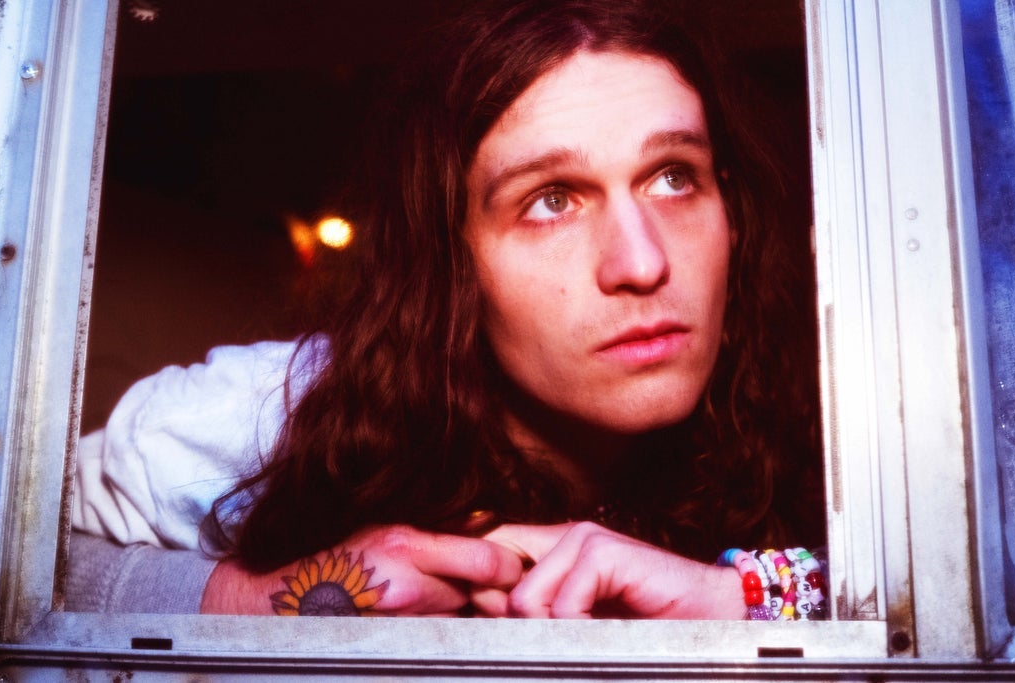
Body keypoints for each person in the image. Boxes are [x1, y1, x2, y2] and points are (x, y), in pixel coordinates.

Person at [69, 0, 825, 620]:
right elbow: (25, 554)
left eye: (673, 178)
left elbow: (898, 593)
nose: (643, 263)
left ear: (732, 213)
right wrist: (255, 600)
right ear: (451, 260)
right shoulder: (289, 409)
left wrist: (742, 597)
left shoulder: (837, 413)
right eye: (551, 200)